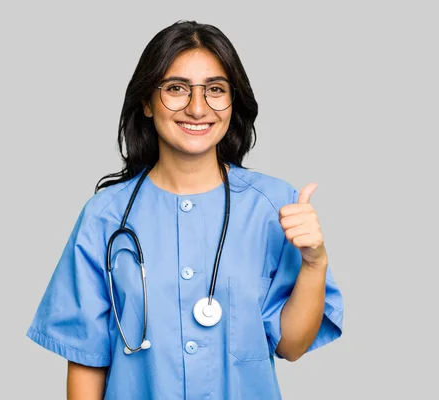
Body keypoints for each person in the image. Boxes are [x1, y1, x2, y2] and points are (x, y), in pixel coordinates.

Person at [26, 20, 344, 400]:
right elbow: (86, 360)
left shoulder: (275, 206)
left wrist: (314, 263)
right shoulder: (104, 217)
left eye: (215, 89)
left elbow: (291, 346)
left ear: (232, 101)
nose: (197, 108)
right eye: (176, 89)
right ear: (146, 101)